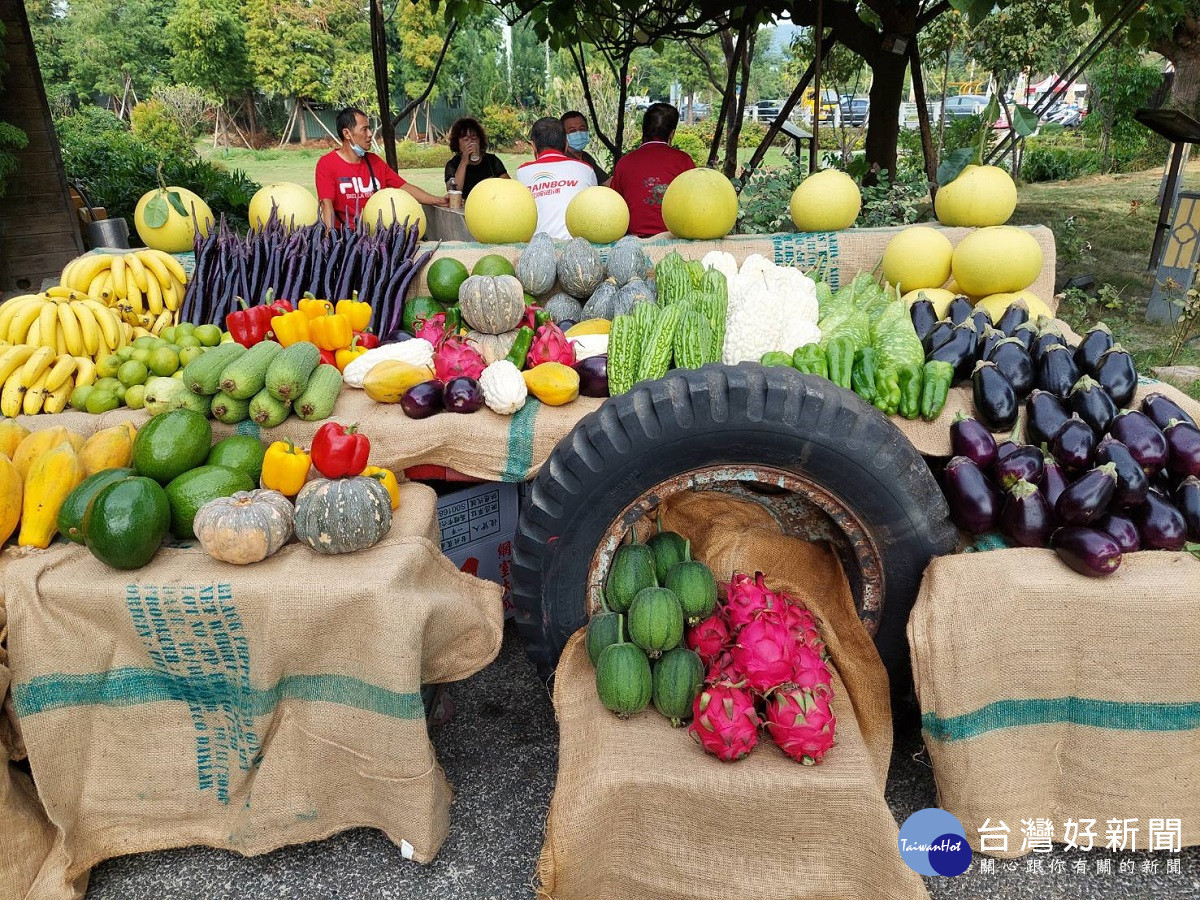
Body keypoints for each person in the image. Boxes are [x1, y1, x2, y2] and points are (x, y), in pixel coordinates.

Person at [316, 107, 448, 229]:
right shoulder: (327, 164)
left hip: (377, 236)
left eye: (369, 129)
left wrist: (437, 200)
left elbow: (404, 187)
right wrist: (330, 236)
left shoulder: (375, 162)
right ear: (347, 133)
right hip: (346, 237)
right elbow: (326, 204)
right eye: (364, 129)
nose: (370, 134)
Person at [609, 102, 695, 237]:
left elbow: (614, 205)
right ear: (672, 134)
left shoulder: (624, 162)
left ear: (643, 130)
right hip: (673, 239)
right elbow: (693, 204)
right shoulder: (683, 161)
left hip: (633, 240)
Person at [514, 117, 597, 239]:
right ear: (566, 144)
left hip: (537, 249)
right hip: (577, 247)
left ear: (533, 146)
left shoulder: (522, 172)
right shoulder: (585, 169)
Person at [444, 117, 509, 200]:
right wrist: (464, 162)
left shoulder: (492, 160)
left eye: (474, 138)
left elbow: (508, 186)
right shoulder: (452, 165)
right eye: (466, 139)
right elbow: (454, 192)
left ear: (480, 140)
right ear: (457, 144)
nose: (471, 142)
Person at [560, 110, 608, 183]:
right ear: (563, 135)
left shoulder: (586, 158)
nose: (578, 134)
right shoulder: (561, 160)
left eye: (582, 129)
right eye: (572, 131)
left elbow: (606, 182)